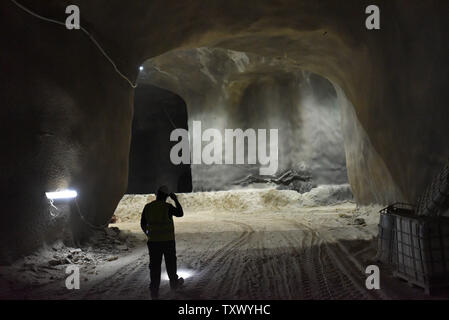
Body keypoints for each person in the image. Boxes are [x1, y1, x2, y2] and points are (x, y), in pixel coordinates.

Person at [140, 185, 184, 299]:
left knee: (154, 267)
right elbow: (180, 213)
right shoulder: (167, 207)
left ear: (157, 194)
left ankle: (154, 291)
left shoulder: (148, 207)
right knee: (171, 264)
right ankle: (174, 283)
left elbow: (142, 224)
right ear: (166, 196)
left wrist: (148, 234)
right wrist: (175, 199)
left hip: (153, 242)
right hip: (168, 241)